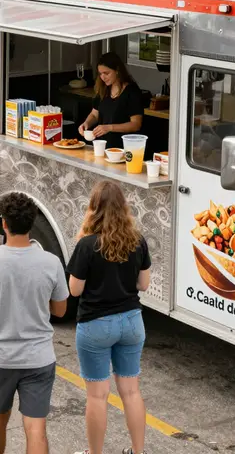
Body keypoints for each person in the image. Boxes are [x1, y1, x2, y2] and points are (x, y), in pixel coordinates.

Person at [0, 193, 69, 454]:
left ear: (3, 223)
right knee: (36, 429)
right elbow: (60, 310)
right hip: (38, 357)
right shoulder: (52, 262)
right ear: (32, 223)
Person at [67, 181, 152, 454]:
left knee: (97, 395)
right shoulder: (137, 241)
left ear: (94, 208)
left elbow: (74, 289)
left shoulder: (87, 245)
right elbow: (144, 285)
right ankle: (138, 451)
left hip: (96, 324)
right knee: (131, 392)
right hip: (132, 322)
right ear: (123, 207)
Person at [79, 52, 144, 150]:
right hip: (102, 146)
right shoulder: (103, 89)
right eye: (100, 74)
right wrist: (86, 123)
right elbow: (95, 114)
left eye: (106, 73)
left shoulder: (132, 91)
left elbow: (136, 124)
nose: (103, 77)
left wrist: (109, 128)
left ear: (117, 70)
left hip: (124, 148)